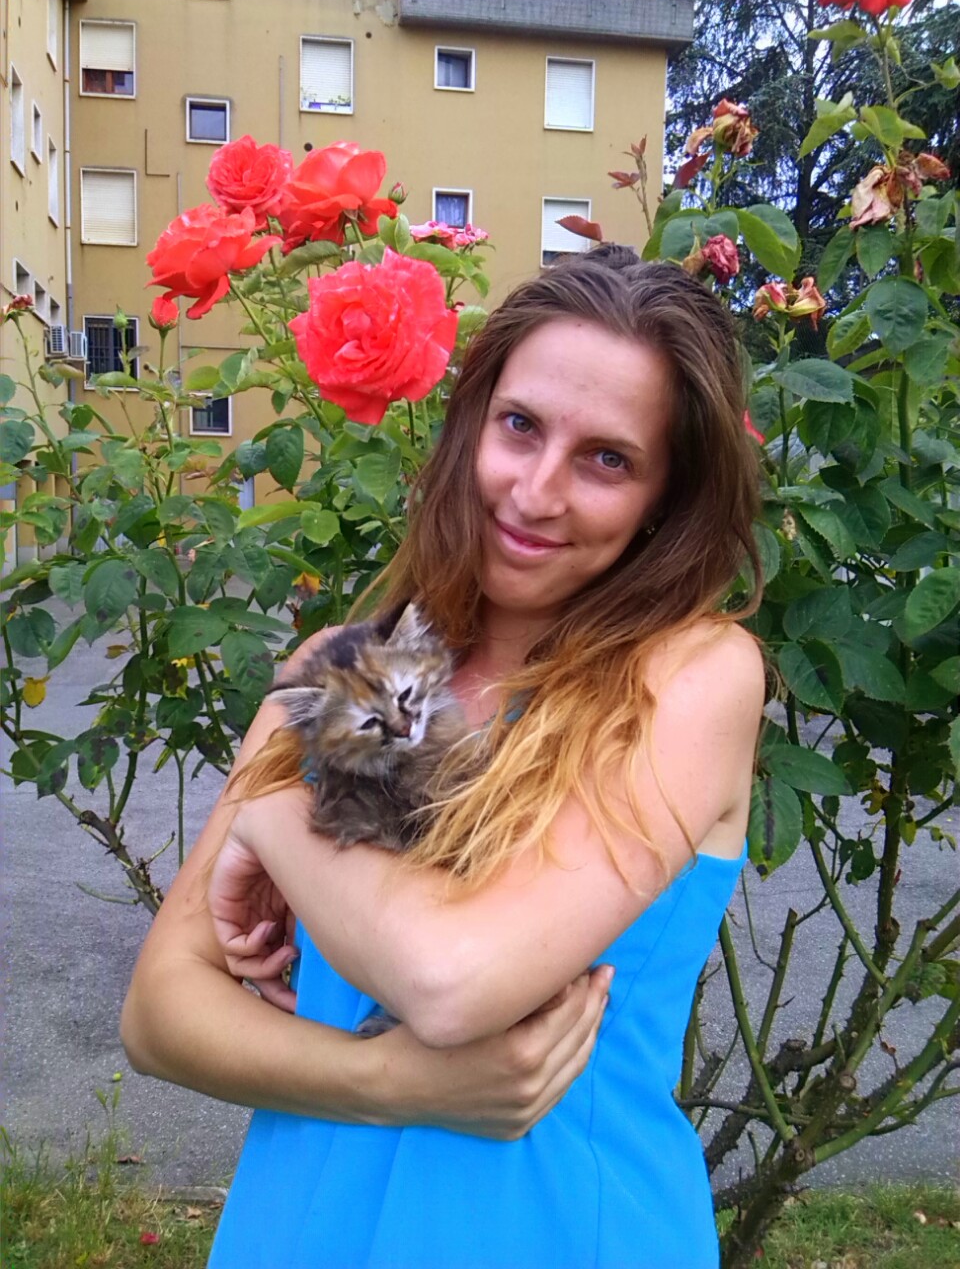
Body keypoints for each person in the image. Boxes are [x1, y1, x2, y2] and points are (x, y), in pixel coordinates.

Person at [121, 246, 765, 1269]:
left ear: (666, 496)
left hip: (555, 1235)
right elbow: (160, 1012)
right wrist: (394, 1084)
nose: (536, 491)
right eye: (521, 426)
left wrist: (270, 811)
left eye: (608, 459)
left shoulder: (688, 676)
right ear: (472, 423)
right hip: (301, 1228)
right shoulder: (369, 664)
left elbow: (454, 978)